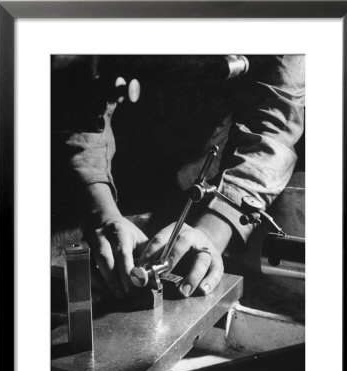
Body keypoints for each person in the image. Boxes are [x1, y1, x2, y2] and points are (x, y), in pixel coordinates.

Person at [51, 55, 305, 299]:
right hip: (108, 165)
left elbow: (273, 125)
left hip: (209, 176)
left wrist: (212, 234)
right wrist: (103, 212)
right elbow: (79, 99)